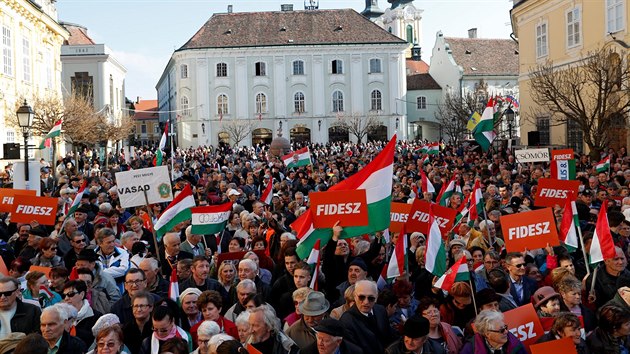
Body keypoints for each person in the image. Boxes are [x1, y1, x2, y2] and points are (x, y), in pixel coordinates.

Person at [339, 280, 399, 354]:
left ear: (376, 297)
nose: (366, 302)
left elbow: (390, 336)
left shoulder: (380, 310)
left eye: (371, 298)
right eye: (361, 297)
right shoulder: (346, 321)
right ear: (355, 296)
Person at [460, 310, 526, 354]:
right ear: (487, 334)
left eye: (505, 327)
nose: (506, 332)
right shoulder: (471, 348)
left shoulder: (515, 345)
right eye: (501, 330)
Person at [62, 280, 103, 346]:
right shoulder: (59, 316)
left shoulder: (97, 317)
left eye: (70, 294)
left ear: (82, 294)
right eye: (64, 295)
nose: (66, 298)